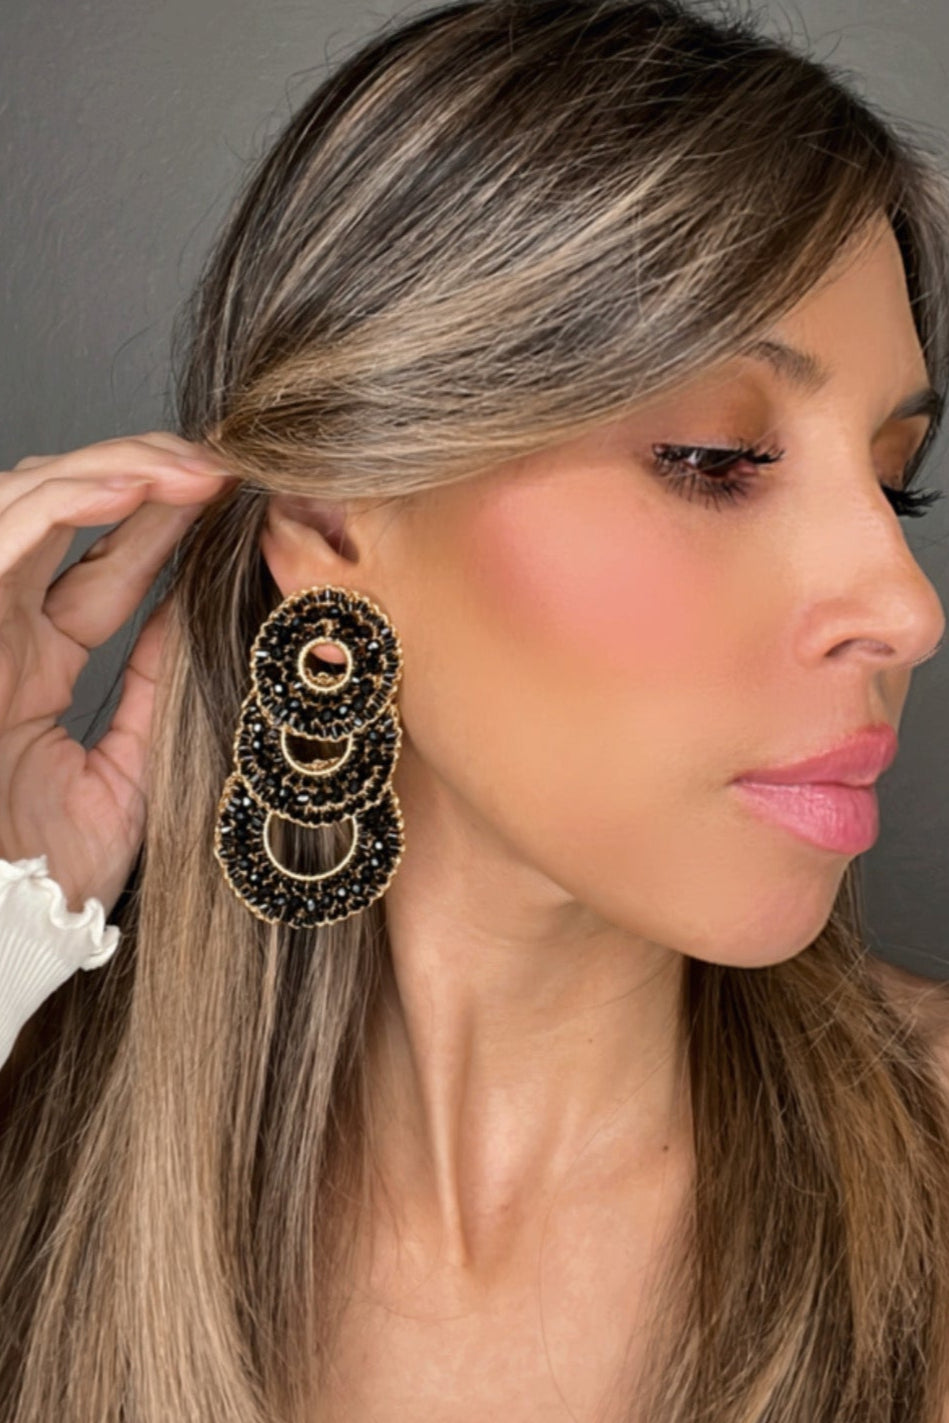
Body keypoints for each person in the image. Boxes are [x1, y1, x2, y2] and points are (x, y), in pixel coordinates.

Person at [2, 0, 949, 1417]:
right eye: (715, 458)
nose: (906, 608)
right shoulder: (38, 1151)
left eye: (894, 483)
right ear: (336, 522)